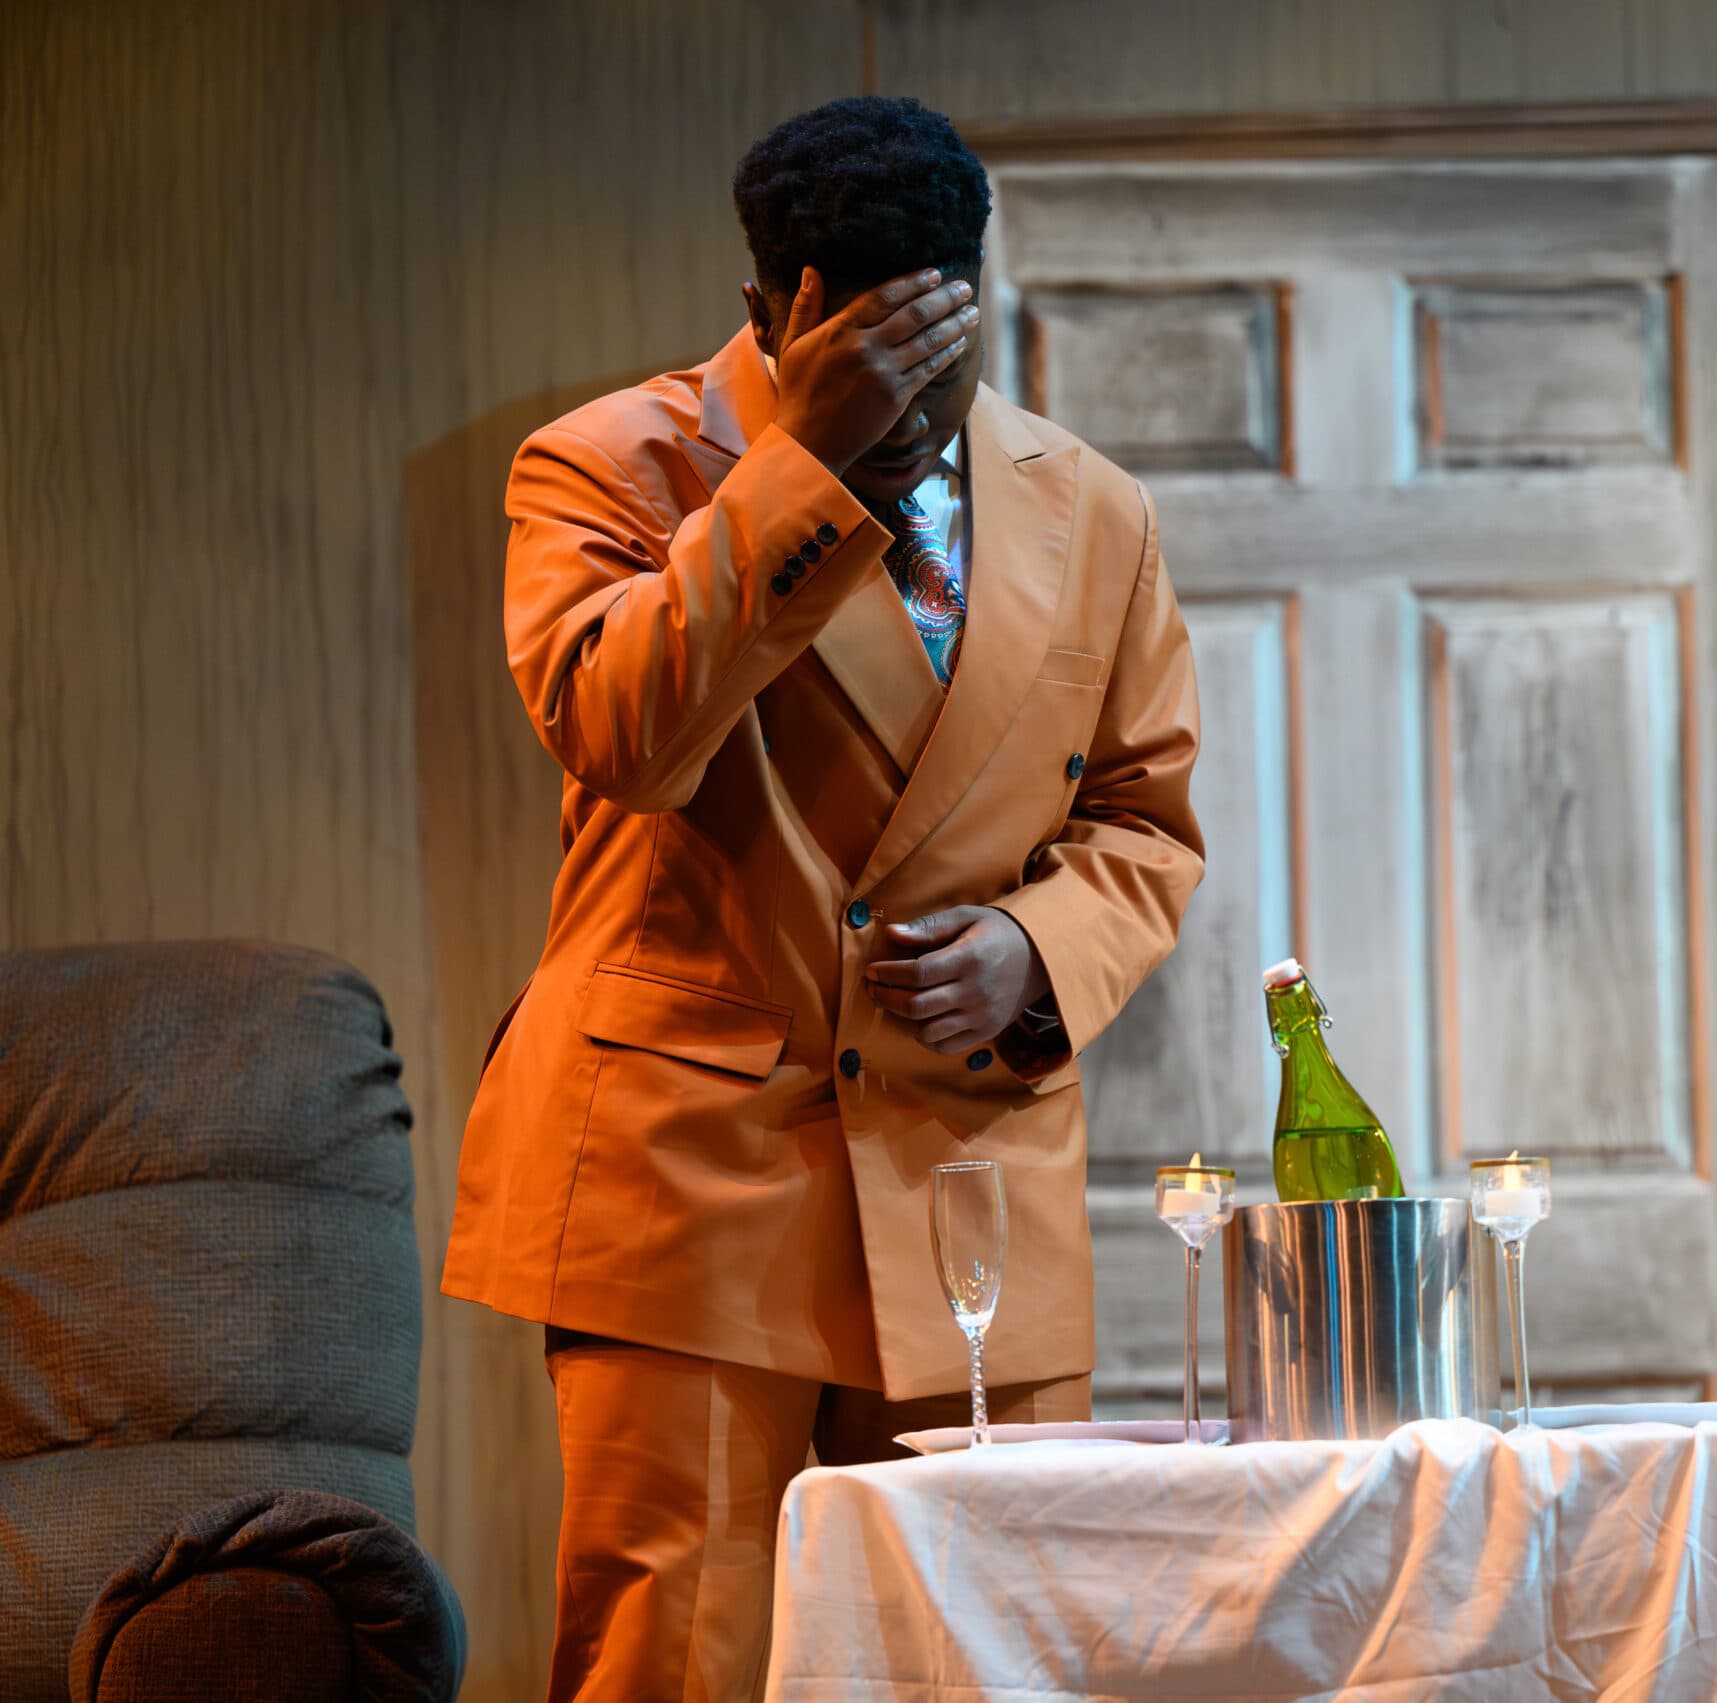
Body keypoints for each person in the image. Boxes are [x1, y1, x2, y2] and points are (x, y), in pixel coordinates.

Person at [438, 95, 1204, 1701]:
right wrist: (803, 464)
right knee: (676, 1665)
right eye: (874, 358)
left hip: (969, 1174)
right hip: (693, 1178)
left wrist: (1034, 948)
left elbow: (1145, 821)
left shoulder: (1093, 509)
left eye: (942, 357)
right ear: (772, 307)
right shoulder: (610, 464)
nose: (913, 407)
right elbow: (626, 737)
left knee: (985, 1658)